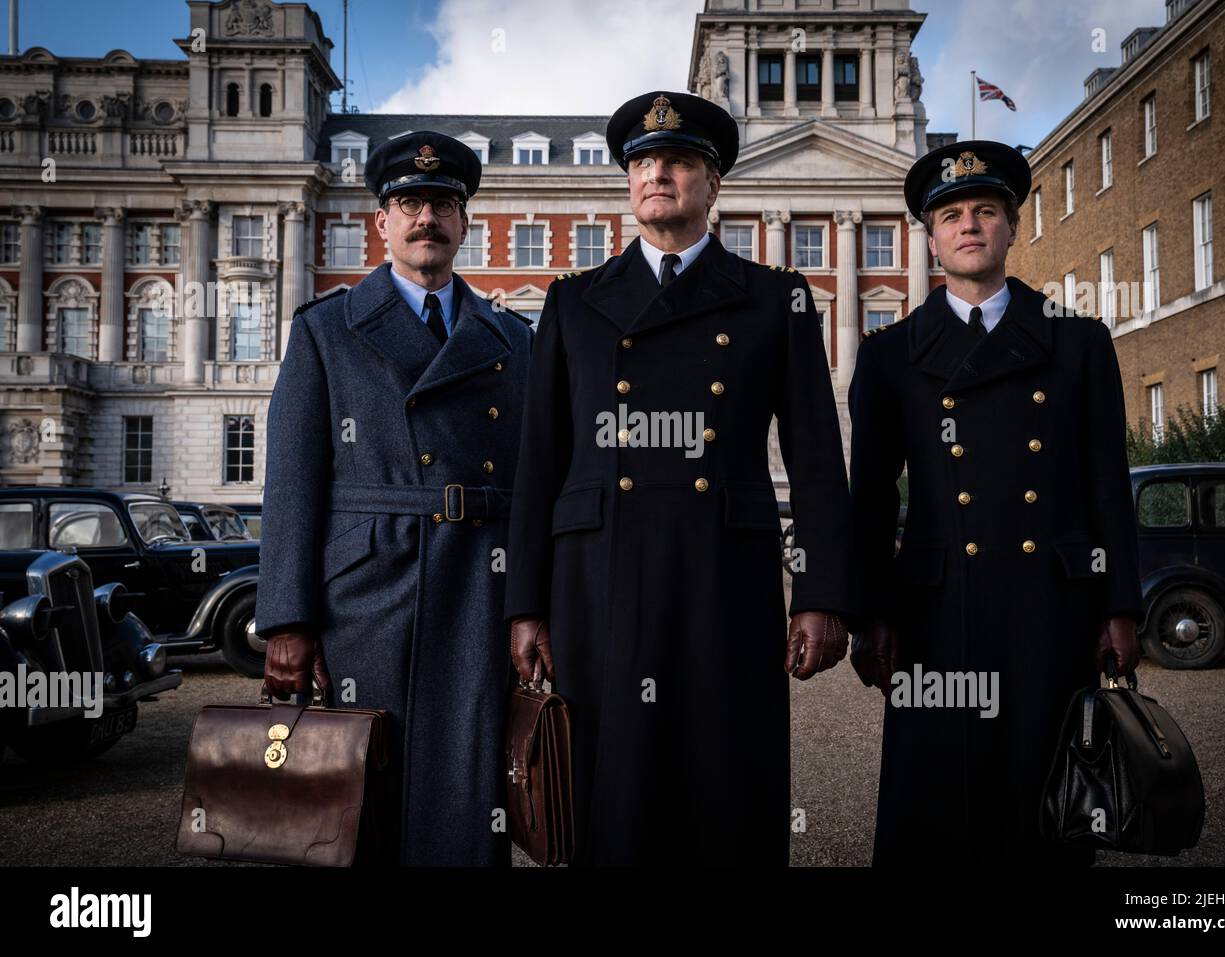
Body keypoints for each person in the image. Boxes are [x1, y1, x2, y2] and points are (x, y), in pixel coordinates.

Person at [504, 90, 856, 866]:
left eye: (678, 161)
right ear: (629, 183)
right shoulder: (572, 302)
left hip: (722, 578)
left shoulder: (776, 298)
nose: (657, 173)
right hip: (598, 580)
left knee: (723, 782)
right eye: (643, 162)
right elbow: (539, 462)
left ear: (714, 182)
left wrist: (825, 593)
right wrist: (524, 605)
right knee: (612, 789)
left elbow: (817, 459)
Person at [847, 139, 1141, 865]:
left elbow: (1108, 480)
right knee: (937, 804)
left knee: (1043, 796)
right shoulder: (891, 354)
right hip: (937, 612)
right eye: (951, 214)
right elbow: (872, 497)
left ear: (1012, 225)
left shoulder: (1078, 342)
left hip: (1051, 606)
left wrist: (1120, 606)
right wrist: (871, 613)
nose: (969, 225)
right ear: (933, 235)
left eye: (985, 211)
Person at [257, 131, 533, 866]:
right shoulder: (324, 330)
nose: (425, 218)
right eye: (409, 202)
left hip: (479, 581)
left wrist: (534, 603)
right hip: (366, 594)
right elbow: (290, 482)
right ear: (382, 221)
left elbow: (536, 485)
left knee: (470, 792)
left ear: (464, 222)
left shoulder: (512, 337)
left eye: (442, 203)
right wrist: (288, 619)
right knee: (359, 787)